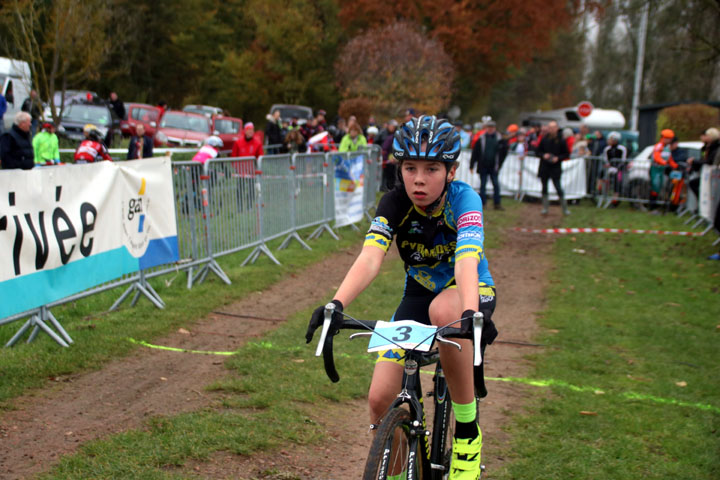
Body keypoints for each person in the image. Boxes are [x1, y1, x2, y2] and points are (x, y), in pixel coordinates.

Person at [305, 116, 498, 480]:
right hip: (417, 295)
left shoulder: (464, 199)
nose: (419, 179)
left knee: (444, 309)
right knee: (380, 398)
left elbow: (467, 261)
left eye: (431, 168)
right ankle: (396, 472)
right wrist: (336, 303)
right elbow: (370, 257)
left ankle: (468, 435)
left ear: (451, 170)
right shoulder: (394, 203)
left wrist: (471, 311)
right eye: (410, 167)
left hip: (470, 289)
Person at [470, 120, 507, 210]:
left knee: (496, 185)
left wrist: (500, 163)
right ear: (486, 128)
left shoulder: (499, 139)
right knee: (483, 185)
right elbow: (475, 152)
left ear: (494, 128)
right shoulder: (481, 138)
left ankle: (497, 203)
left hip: (494, 166)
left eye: (492, 127)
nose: (490, 129)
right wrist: (472, 165)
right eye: (489, 127)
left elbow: (504, 152)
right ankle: (483, 204)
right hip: (483, 165)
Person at [535, 121, 571, 215]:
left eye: (553, 127)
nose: (551, 129)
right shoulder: (544, 139)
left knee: (558, 187)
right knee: (544, 187)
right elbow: (538, 152)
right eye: (550, 127)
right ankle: (545, 208)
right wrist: (544, 155)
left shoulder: (561, 140)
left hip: (555, 167)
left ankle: (564, 209)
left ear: (557, 128)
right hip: (544, 166)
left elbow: (567, 154)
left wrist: (557, 158)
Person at [650, 128, 677, 210]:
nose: (670, 141)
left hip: (662, 170)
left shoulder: (667, 147)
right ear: (664, 138)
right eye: (669, 139)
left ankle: (656, 205)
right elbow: (656, 157)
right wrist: (665, 163)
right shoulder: (658, 146)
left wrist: (675, 166)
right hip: (655, 169)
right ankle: (652, 206)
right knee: (655, 185)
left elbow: (669, 159)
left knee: (660, 185)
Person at [602, 131, 627, 207]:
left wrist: (617, 167)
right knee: (603, 177)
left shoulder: (622, 148)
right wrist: (609, 166)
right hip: (610, 168)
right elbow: (606, 160)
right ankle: (603, 194)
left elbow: (623, 160)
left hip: (619, 169)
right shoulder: (607, 149)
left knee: (617, 183)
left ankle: (615, 200)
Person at [380, 119, 399, 191]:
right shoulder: (386, 135)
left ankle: (390, 188)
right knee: (386, 175)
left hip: (393, 159)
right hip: (387, 159)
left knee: (392, 175)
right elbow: (384, 147)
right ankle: (384, 187)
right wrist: (384, 158)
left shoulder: (395, 136)